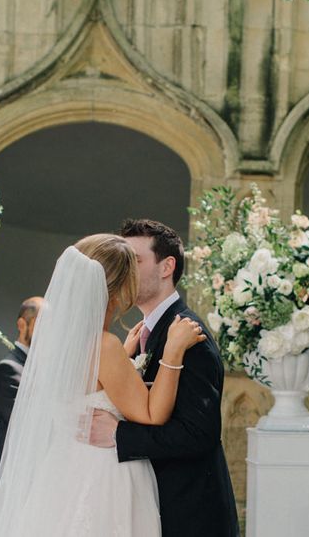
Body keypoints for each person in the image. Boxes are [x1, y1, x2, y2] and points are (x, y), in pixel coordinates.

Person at [0, 234, 205, 537]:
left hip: (63, 472)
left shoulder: (56, 344)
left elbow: (90, 384)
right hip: (104, 477)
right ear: (119, 288)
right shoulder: (105, 346)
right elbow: (153, 414)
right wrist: (173, 351)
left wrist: (124, 357)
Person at [89, 219, 240, 537]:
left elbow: (199, 434)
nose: (126, 269)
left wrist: (120, 435)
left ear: (166, 266)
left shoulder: (189, 334)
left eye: (135, 260)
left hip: (188, 515)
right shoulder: (138, 336)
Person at [0, 296, 43, 463]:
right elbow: (27, 425)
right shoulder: (7, 369)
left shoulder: (43, 367)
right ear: (22, 325)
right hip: (16, 473)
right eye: (40, 324)